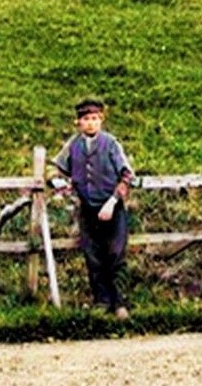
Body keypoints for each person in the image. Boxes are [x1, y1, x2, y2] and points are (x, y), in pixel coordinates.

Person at [53, 97, 134, 316]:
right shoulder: (73, 145)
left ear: (101, 120)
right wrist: (61, 186)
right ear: (78, 122)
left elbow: (127, 176)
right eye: (86, 119)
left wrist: (113, 201)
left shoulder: (111, 144)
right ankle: (101, 302)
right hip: (88, 209)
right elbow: (58, 170)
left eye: (95, 118)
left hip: (112, 208)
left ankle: (120, 303)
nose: (91, 123)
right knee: (92, 256)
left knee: (115, 254)